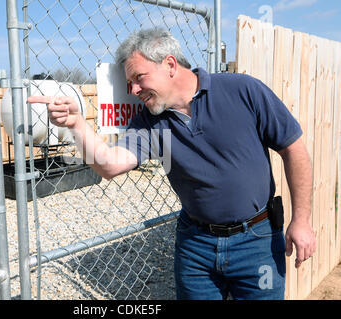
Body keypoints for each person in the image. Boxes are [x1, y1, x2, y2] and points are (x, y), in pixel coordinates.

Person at [28, 27, 316, 300]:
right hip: (196, 246)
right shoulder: (150, 123)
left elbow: (294, 150)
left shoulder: (242, 90)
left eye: (139, 77)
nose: (134, 89)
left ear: (169, 64)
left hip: (257, 241)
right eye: (130, 82)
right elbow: (109, 165)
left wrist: (301, 220)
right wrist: (77, 124)